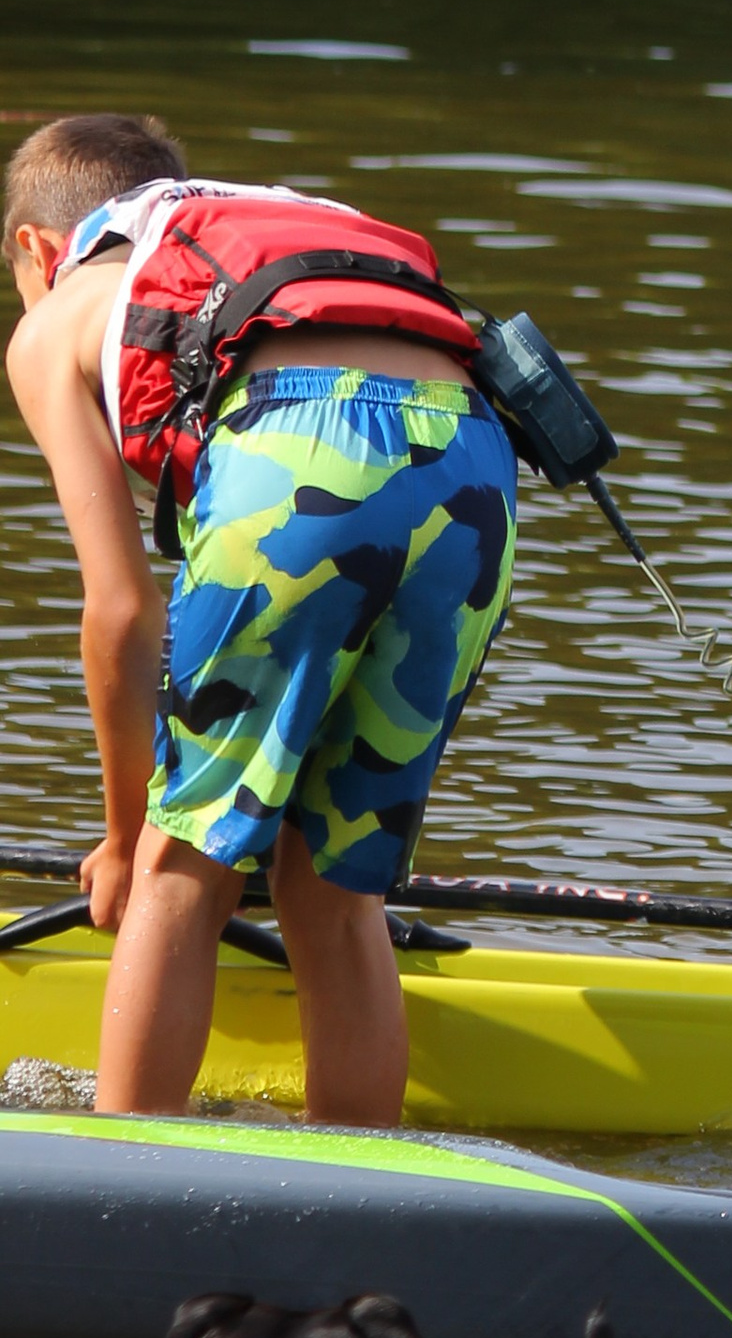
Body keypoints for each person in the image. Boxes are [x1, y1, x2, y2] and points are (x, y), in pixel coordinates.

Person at [4, 113, 517, 1126]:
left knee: (179, 862)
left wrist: (122, 841)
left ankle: (125, 1188)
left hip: (295, 444)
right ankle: (353, 1209)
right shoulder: (279, 220)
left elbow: (118, 610)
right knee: (332, 888)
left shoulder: (59, 310)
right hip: (475, 463)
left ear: (35, 248)